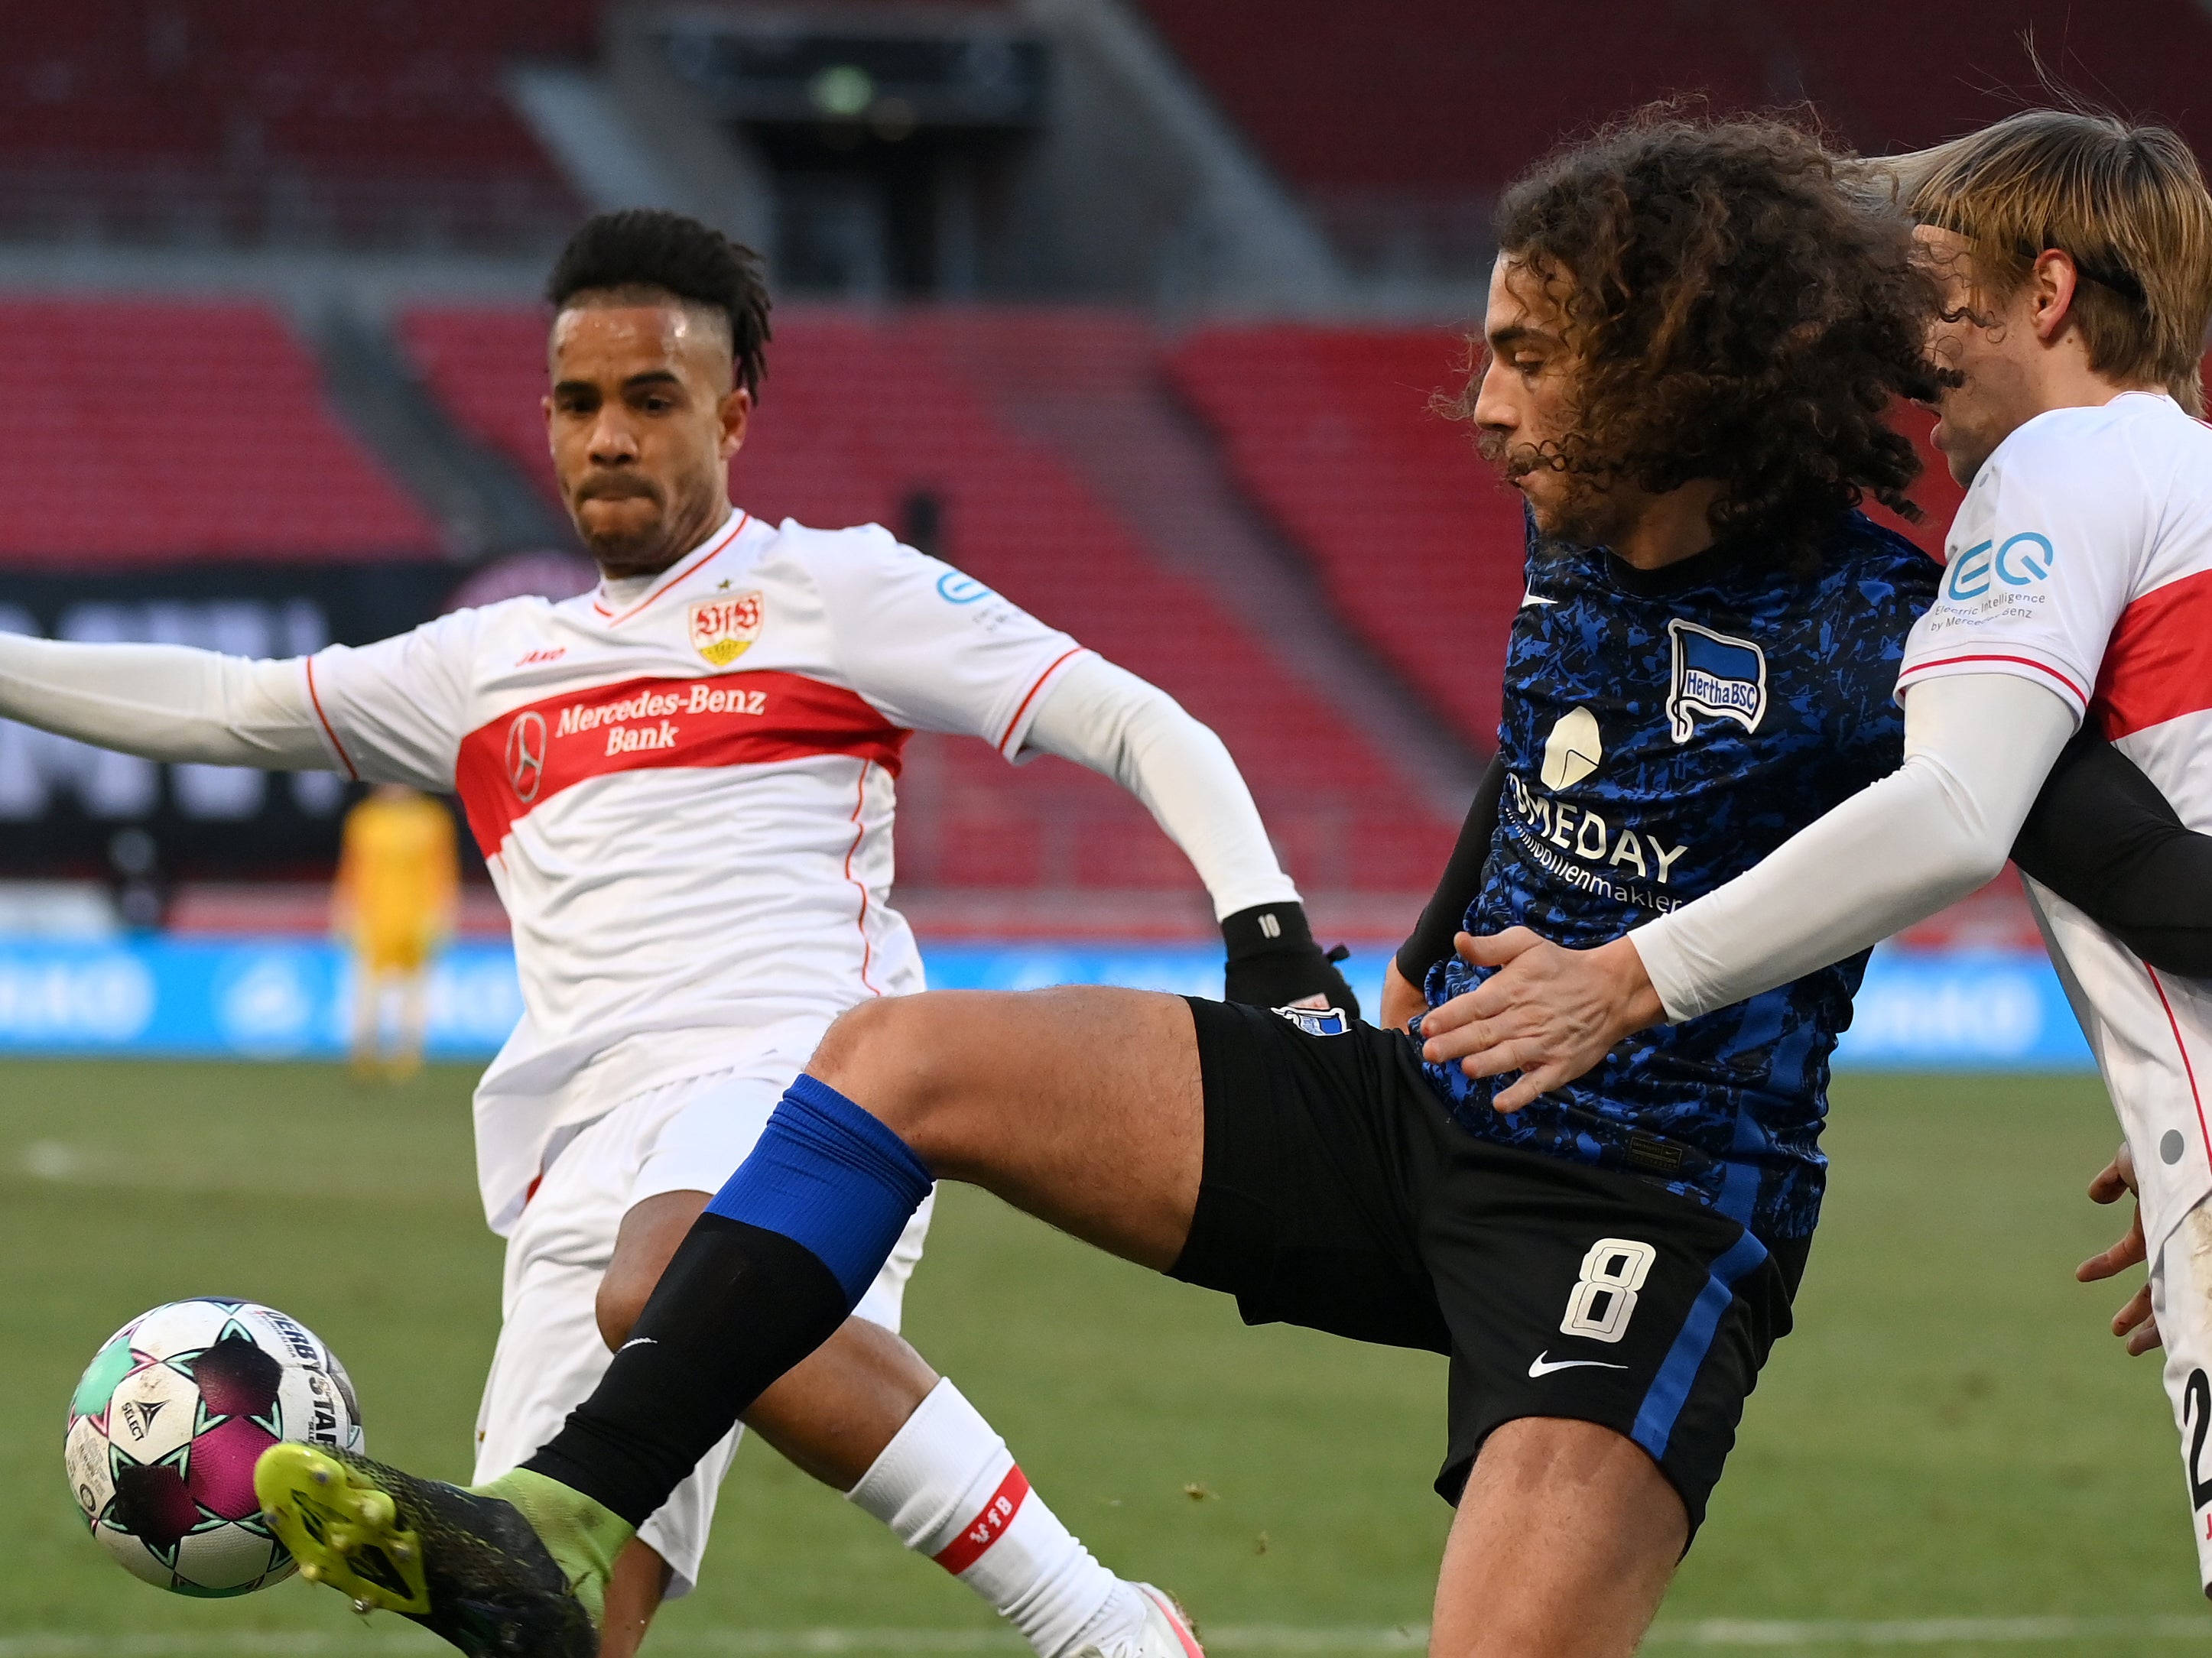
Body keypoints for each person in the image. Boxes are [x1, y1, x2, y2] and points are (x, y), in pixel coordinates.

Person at [252, 112, 1983, 1658]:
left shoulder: (1879, 630)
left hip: (1645, 1211)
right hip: (1415, 1108)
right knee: (895, 1056)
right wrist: (1424, 953)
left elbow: (2024, 818)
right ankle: (559, 1513)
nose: (1485, 398)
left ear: (1674, 360)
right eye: (1486, 348)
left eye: (1528, 354)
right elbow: (1544, 749)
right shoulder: (1575, 506)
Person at [0, 209, 1353, 1657]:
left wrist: (1266, 933)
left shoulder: (837, 588)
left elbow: (1133, 717)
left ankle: (1104, 1627)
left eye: (652, 398)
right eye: (579, 402)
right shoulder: (489, 660)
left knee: (669, 1273)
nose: (610, 435)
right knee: (557, 1622)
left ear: (732, 412)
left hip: (810, 1086)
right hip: (578, 1155)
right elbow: (226, 703)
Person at [1411, 109, 2212, 1595]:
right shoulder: (2180, 490)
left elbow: (1960, 814)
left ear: (2045, 297)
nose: (1919, 357)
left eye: (1946, 299)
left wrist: (1632, 976)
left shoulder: (2055, 471)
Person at [333, 782, 460, 1079]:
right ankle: (364, 1052)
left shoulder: (433, 819)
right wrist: (343, 909)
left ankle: (407, 1055)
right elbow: (352, 869)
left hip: (417, 917)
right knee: (366, 990)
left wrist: (444, 914)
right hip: (374, 916)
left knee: (415, 992)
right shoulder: (365, 818)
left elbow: (443, 871)